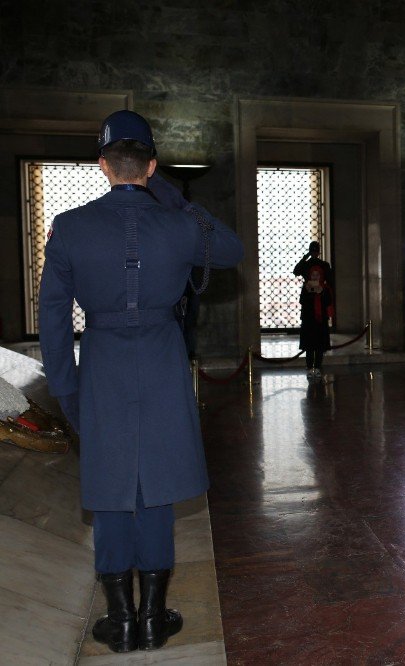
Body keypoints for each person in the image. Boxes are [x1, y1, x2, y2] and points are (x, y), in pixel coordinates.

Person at [38, 110, 244, 653]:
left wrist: (65, 389)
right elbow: (231, 250)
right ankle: (154, 616)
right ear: (151, 165)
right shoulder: (178, 224)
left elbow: (54, 320)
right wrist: (174, 198)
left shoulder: (70, 227)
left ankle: (121, 620)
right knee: (157, 485)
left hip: (101, 360)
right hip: (161, 358)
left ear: (101, 164)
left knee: (110, 489)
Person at [299, 264, 334, 377]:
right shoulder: (305, 287)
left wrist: (321, 293)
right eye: (313, 275)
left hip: (320, 321)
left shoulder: (325, 288)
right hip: (309, 321)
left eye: (317, 275)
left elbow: (328, 302)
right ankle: (309, 367)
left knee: (319, 346)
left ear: (320, 276)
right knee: (309, 346)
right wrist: (309, 292)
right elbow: (302, 301)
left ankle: (317, 367)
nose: (315, 277)